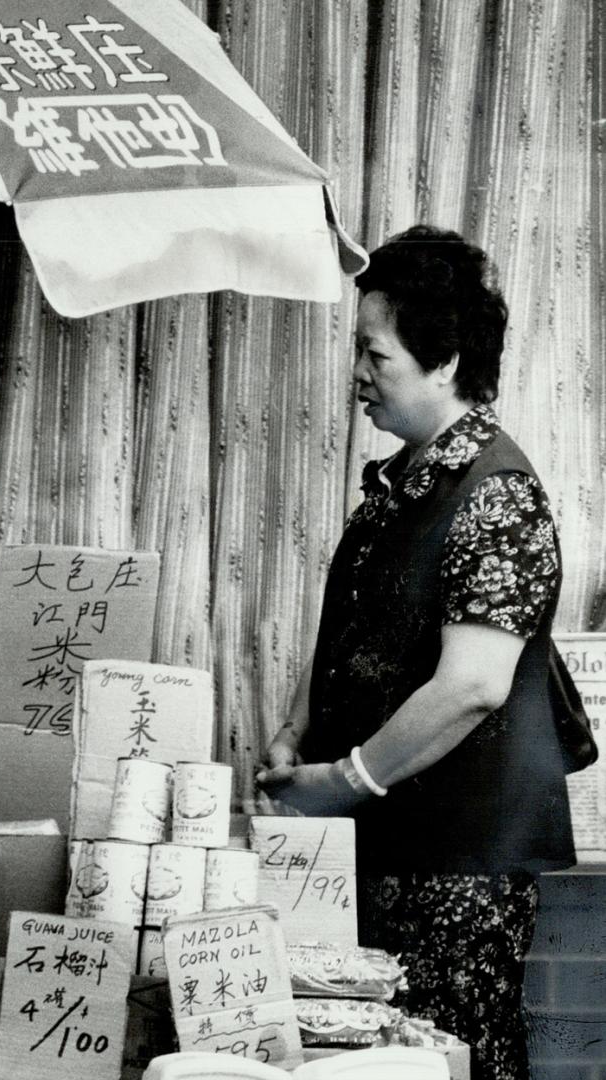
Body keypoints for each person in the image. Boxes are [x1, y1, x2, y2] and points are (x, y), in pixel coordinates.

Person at [258, 226, 575, 1080]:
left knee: (441, 1062)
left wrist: (345, 779)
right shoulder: (402, 485)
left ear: (445, 360)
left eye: (375, 354)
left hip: (455, 871)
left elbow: (472, 684)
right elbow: (360, 627)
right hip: (378, 849)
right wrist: (298, 728)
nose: (357, 375)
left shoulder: (497, 497)